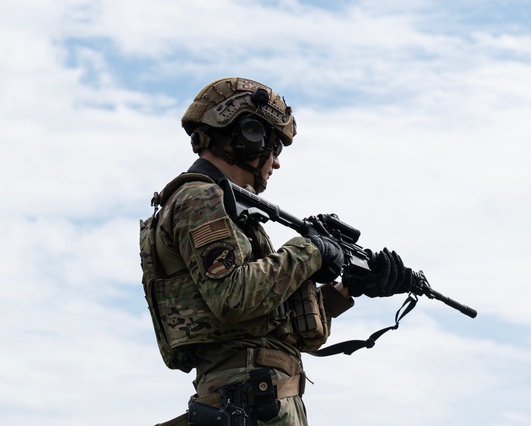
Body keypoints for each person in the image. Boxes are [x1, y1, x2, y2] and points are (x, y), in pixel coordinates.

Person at [140, 77, 412, 426]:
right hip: (249, 400)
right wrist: (310, 250)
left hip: (259, 401)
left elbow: (279, 330)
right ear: (248, 136)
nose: (276, 163)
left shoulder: (229, 209)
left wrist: (350, 289)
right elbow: (233, 296)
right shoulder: (200, 198)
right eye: (275, 149)